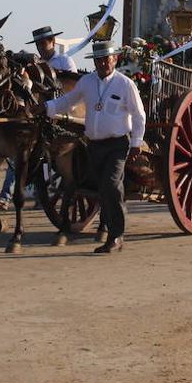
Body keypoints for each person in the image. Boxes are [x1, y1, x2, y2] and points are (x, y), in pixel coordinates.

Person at [43, 41, 146, 253]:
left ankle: (116, 236)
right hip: (94, 145)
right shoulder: (87, 82)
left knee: (110, 185)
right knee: (101, 189)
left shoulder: (125, 84)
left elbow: (139, 115)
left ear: (115, 59)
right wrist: (46, 107)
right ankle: (109, 229)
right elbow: (69, 101)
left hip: (118, 145)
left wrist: (136, 143)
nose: (102, 63)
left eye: (106, 59)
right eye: (98, 60)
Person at [0, 26, 77, 207]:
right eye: (38, 44)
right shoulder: (34, 64)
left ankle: (32, 194)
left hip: (61, 115)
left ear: (52, 42)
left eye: (44, 43)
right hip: (40, 117)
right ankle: (6, 196)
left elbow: (72, 87)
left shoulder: (65, 60)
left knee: (41, 158)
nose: (41, 47)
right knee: (19, 154)